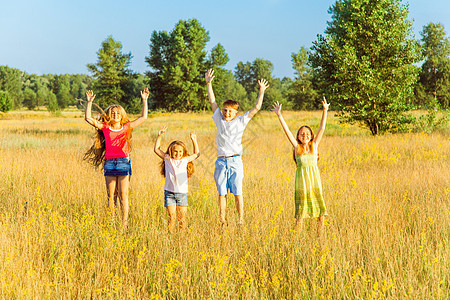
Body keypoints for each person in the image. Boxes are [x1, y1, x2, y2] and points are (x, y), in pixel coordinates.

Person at [205, 69, 269, 227]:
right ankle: (222, 220)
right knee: (222, 193)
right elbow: (213, 102)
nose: (227, 113)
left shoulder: (240, 121)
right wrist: (209, 83)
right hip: (221, 162)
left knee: (238, 193)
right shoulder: (219, 119)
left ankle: (240, 220)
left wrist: (261, 91)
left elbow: (256, 108)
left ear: (236, 113)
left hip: (235, 161)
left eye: (230, 111)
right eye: (225, 110)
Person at [84, 88, 149, 230]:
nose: (115, 115)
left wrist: (144, 100)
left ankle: (124, 225)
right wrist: (89, 103)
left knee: (123, 195)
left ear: (122, 115)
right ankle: (112, 223)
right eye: (113, 113)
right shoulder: (105, 127)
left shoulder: (127, 127)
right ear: (109, 115)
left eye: (118, 113)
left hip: (123, 163)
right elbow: (88, 119)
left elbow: (143, 117)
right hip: (109, 164)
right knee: (111, 195)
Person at [272, 96, 330, 237]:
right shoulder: (296, 147)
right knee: (300, 215)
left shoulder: (314, 146)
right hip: (301, 184)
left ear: (311, 136)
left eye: (307, 133)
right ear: (298, 136)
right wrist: (279, 115)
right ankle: (297, 239)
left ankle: (319, 238)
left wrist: (325, 110)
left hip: (315, 183)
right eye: (301, 133)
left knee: (320, 213)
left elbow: (322, 128)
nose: (304, 135)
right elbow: (286, 131)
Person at [154, 126, 200, 233]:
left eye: (180, 151)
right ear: (171, 151)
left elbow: (197, 154)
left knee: (182, 220)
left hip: (182, 194)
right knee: (172, 219)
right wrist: (159, 136)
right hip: (169, 193)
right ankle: (170, 238)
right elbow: (156, 149)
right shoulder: (168, 159)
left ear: (183, 152)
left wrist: (194, 140)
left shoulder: (185, 160)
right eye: (175, 151)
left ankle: (181, 239)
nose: (177, 154)